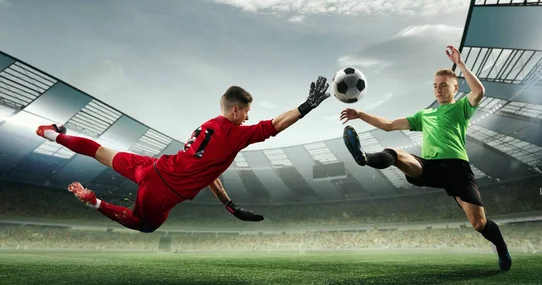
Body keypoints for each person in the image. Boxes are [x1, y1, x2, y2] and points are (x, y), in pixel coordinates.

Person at [36, 77, 330, 233]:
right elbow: (274, 126)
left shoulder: (207, 126)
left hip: (153, 167)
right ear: (236, 110)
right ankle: (95, 201)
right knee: (145, 226)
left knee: (102, 152)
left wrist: (229, 205)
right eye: (246, 114)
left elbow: (208, 172)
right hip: (163, 192)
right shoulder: (234, 133)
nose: (247, 120)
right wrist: (306, 107)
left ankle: (53, 133)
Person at [340, 45, 511, 271]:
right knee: (396, 154)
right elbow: (390, 125)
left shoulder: (461, 107)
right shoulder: (425, 115)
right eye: (435, 86)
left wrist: (459, 64)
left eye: (443, 85)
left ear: (454, 87)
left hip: (458, 170)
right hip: (430, 167)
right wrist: (360, 114)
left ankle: (501, 247)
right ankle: (364, 157)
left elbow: (479, 91)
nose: (438, 90)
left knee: (479, 224)